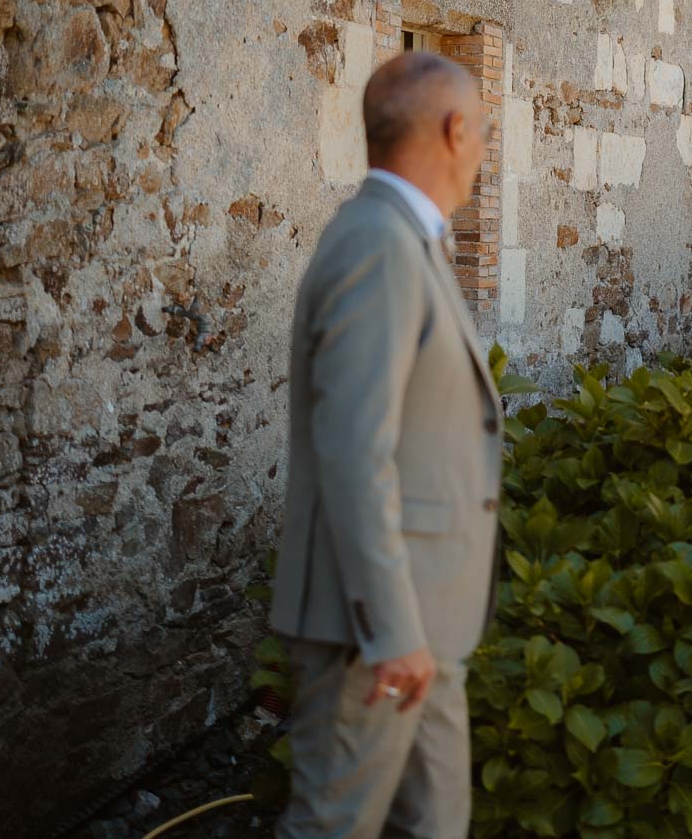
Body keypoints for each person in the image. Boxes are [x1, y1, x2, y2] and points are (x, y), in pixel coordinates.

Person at [270, 51, 502, 838]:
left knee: (435, 825)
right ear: (455, 128)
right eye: (483, 133)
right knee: (332, 827)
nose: (483, 151)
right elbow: (353, 451)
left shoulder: (406, 238)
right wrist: (394, 631)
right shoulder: (376, 243)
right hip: (373, 634)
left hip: (424, 626)